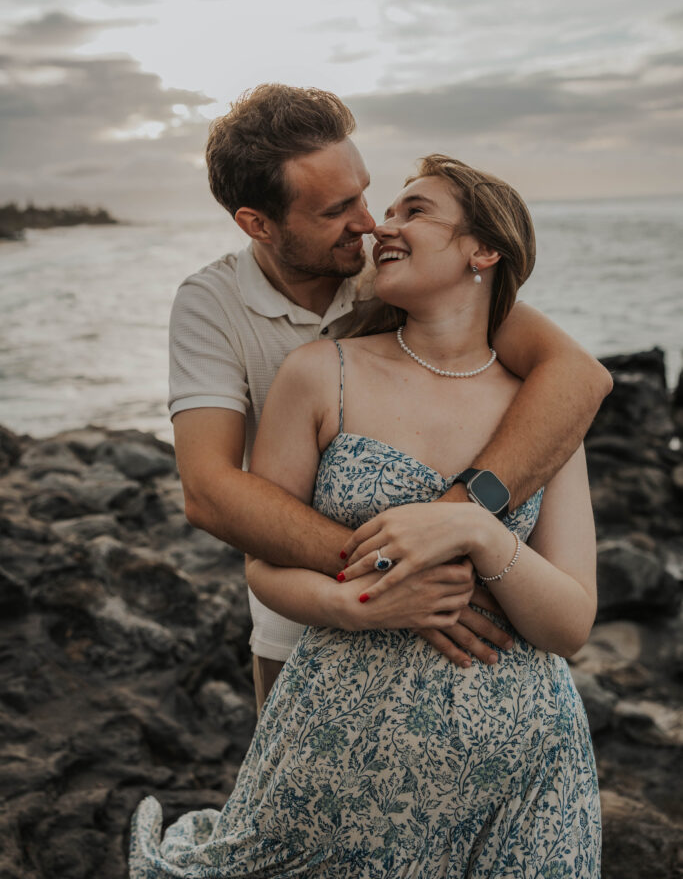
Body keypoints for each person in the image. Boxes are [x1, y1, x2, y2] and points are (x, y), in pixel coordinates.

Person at [130, 155, 601, 877]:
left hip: (523, 775)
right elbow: (253, 545)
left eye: (413, 210)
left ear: (483, 250)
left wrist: (477, 531)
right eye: (382, 209)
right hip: (341, 747)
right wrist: (358, 601)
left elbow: (568, 624)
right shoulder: (322, 371)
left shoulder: (541, 408)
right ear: (257, 223)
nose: (380, 222)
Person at [168, 84, 611, 709]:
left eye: (363, 192)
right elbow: (209, 490)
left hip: (479, 661)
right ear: (257, 224)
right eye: (335, 210)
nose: (370, 222)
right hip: (304, 633)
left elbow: (575, 377)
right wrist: (396, 575)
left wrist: (456, 521)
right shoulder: (211, 305)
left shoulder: (401, 274)